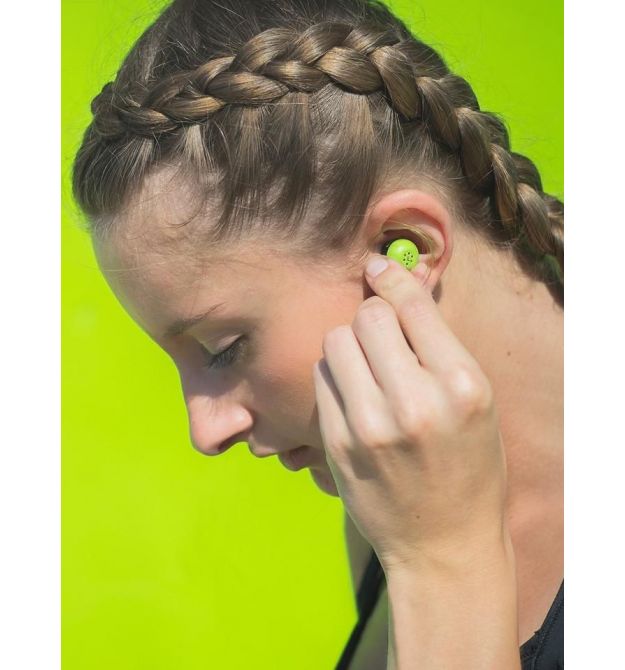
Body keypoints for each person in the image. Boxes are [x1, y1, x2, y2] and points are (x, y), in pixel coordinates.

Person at [71, 0, 563, 667]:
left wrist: (442, 563)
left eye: (223, 349)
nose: (206, 432)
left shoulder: (422, 524)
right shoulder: (394, 487)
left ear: (403, 249)